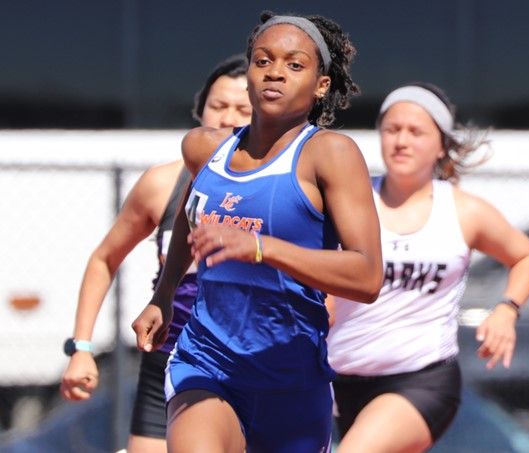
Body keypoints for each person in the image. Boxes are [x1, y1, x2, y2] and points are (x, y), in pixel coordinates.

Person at [131, 11, 382, 453]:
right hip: (206, 362)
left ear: (321, 85)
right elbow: (193, 215)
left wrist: (264, 247)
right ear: (247, 75)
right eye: (263, 61)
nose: (276, 73)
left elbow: (366, 277)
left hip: (291, 380)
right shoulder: (205, 149)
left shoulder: (330, 154)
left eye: (294, 64)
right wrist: (164, 295)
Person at [327, 83, 529, 453]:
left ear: (441, 144)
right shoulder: (352, 201)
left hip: (420, 380)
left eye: (416, 132)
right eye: (392, 129)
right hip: (337, 378)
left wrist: (507, 310)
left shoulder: (463, 211)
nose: (401, 141)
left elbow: (527, 258)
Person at [59, 54, 251, 453]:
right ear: (200, 111)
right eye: (218, 106)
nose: (229, 118)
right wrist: (82, 348)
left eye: (242, 109)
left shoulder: (281, 188)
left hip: (251, 363)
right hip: (168, 360)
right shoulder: (162, 183)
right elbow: (103, 259)